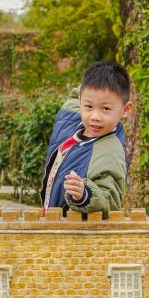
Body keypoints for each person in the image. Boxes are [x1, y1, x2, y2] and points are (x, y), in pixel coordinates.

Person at [40, 61, 131, 217]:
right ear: (81, 102)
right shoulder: (72, 116)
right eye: (89, 106)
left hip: (73, 231)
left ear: (125, 110)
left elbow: (111, 201)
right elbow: (80, 92)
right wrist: (99, 74)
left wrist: (85, 195)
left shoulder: (111, 152)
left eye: (106, 109)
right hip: (49, 216)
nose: (95, 116)